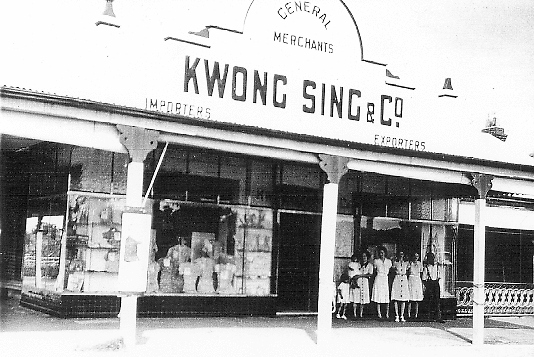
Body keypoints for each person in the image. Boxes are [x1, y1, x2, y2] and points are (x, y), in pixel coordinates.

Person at [372, 246, 392, 319]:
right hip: (378, 278)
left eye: (383, 253)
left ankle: (387, 314)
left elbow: (390, 270)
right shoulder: (376, 261)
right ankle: (379, 313)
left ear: (385, 253)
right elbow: (374, 270)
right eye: (380, 253)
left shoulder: (389, 261)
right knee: (378, 295)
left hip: (385, 279)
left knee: (386, 296)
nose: (381, 254)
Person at [423, 252, 443, 322]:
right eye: (430, 258)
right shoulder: (426, 267)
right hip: (429, 284)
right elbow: (424, 278)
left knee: (437, 300)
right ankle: (429, 316)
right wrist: (427, 286)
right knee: (429, 300)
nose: (431, 259)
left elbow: (439, 276)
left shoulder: (437, 267)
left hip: (436, 284)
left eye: (432, 258)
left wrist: (436, 282)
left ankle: (438, 317)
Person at [391, 251, 410, 322]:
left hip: (404, 279)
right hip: (397, 279)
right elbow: (393, 269)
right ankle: (397, 315)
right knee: (396, 298)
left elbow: (408, 270)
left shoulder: (406, 263)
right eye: (400, 254)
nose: (401, 256)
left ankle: (402, 315)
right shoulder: (395, 263)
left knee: (403, 299)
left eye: (402, 254)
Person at [354, 250, 373, 318]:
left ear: (367, 257)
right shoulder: (358, 264)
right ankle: (355, 314)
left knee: (363, 298)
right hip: (358, 281)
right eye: (362, 256)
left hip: (365, 282)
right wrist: (358, 276)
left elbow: (370, 274)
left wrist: (360, 275)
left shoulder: (370, 265)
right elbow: (355, 273)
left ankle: (361, 313)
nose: (364, 257)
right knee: (357, 297)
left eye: (365, 256)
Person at [407, 252, 424, 319]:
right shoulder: (410, 263)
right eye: (414, 256)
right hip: (411, 280)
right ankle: (408, 313)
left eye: (417, 256)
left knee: (417, 299)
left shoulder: (420, 264)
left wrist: (422, 283)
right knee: (410, 298)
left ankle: (416, 314)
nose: (416, 258)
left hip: (417, 280)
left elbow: (421, 273)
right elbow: (407, 271)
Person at [347, 254, 361, 318]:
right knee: (352, 297)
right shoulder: (350, 264)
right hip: (353, 279)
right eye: (354, 258)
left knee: (357, 298)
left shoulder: (358, 264)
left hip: (358, 280)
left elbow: (359, 270)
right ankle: (352, 312)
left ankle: (357, 312)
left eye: (356, 258)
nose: (355, 259)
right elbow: (350, 271)